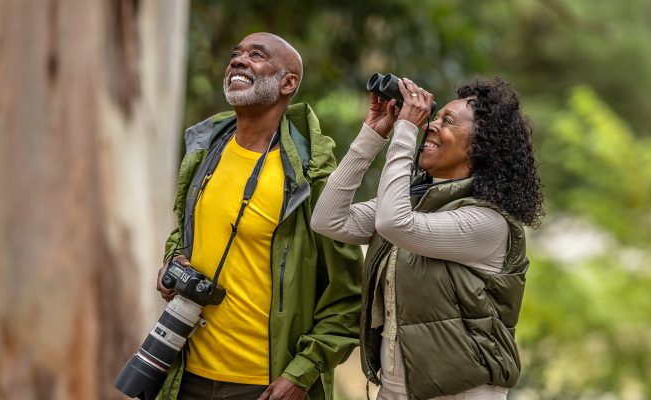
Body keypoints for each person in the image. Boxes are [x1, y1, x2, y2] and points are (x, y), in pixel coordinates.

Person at [155, 32, 362, 400]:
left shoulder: (311, 177)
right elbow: (185, 235)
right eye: (236, 53)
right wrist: (173, 262)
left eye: (256, 55)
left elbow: (346, 297)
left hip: (263, 385)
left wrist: (301, 374)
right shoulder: (205, 154)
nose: (238, 60)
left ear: (288, 83)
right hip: (185, 373)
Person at [311, 77, 544, 399]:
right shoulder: (418, 201)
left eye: (446, 121)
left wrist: (405, 128)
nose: (430, 126)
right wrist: (373, 134)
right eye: (434, 118)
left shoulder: (488, 222)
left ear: (481, 146)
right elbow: (328, 220)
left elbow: (395, 224)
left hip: (462, 392)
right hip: (397, 385)